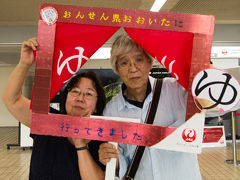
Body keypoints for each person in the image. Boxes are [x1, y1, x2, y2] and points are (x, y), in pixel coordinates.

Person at [98, 35, 202, 180]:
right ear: (117, 69)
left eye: (139, 59)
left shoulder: (177, 91)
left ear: (149, 63)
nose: (133, 68)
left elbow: (216, 109)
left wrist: (205, 72)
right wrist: (112, 159)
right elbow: (121, 158)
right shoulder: (111, 111)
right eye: (124, 62)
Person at [2, 38, 106, 180]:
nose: (80, 98)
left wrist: (81, 146)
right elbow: (12, 99)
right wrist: (24, 64)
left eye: (88, 94)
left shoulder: (101, 136)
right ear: (66, 97)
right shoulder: (46, 120)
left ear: (96, 106)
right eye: (75, 91)